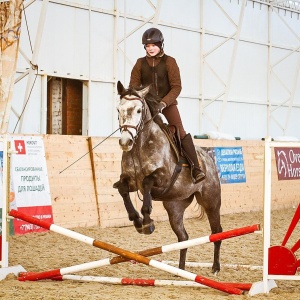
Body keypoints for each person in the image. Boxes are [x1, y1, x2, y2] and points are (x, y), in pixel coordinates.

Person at [129, 27, 205, 183]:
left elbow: (177, 86)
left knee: (181, 132)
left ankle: (196, 168)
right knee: (134, 129)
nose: (150, 49)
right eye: (148, 46)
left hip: (167, 103)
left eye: (153, 45)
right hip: (147, 104)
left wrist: (163, 103)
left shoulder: (170, 62)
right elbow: (133, 86)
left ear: (160, 45)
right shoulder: (139, 63)